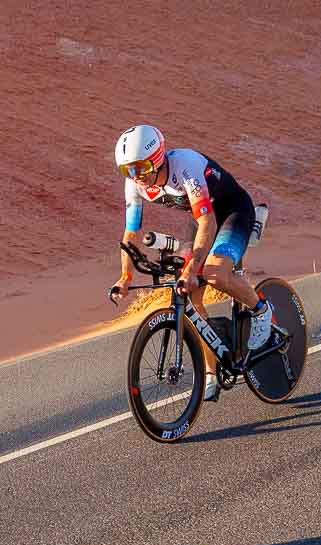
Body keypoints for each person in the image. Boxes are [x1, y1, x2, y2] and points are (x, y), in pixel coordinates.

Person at [109, 124, 274, 402]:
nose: (136, 177)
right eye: (128, 171)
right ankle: (211, 371)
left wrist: (192, 268)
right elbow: (131, 233)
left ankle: (261, 310)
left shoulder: (185, 166)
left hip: (231, 211)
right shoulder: (135, 185)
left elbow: (208, 221)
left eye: (140, 168)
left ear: (157, 158)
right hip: (201, 220)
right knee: (189, 295)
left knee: (213, 272)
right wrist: (125, 276)